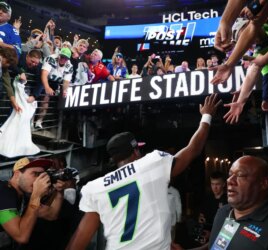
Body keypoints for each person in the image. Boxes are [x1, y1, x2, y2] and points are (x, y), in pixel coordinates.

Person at [66, 93, 222, 250]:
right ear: (135, 152)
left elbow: (78, 241)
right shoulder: (151, 164)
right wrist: (207, 116)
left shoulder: (97, 187)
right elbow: (192, 150)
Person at [211, 0, 268, 84]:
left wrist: (258, 4)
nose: (251, 42)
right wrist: (225, 22)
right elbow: (253, 27)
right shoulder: (261, 23)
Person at [0, 157, 66, 249]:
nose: (38, 180)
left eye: (42, 175)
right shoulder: (4, 191)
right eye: (35, 174)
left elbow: (51, 215)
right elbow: (21, 237)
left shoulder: (24, 195)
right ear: (17, 174)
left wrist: (59, 192)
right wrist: (36, 196)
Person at [35, 48, 73, 129]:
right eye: (62, 56)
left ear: (68, 59)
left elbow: (66, 81)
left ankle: (40, 121)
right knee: (40, 98)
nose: (63, 59)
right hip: (43, 78)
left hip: (55, 82)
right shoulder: (51, 58)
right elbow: (44, 74)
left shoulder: (69, 66)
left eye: (65, 58)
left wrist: (65, 90)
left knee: (50, 100)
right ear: (59, 55)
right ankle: (33, 120)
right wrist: (47, 87)